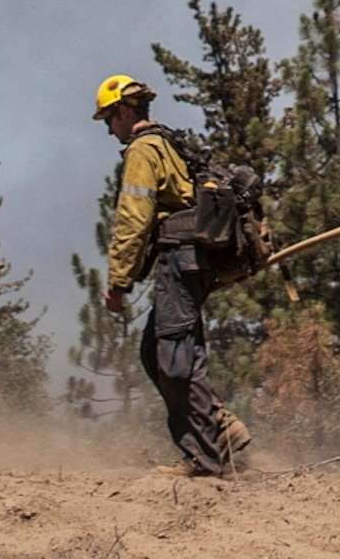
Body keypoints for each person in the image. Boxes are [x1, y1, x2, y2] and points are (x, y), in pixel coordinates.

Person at [93, 74, 248, 477]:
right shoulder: (167, 142)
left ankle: (205, 457)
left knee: (177, 360)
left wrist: (118, 283)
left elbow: (133, 219)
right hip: (188, 261)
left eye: (110, 119)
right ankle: (223, 431)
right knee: (156, 352)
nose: (110, 130)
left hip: (178, 261)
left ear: (125, 112)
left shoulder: (143, 149)